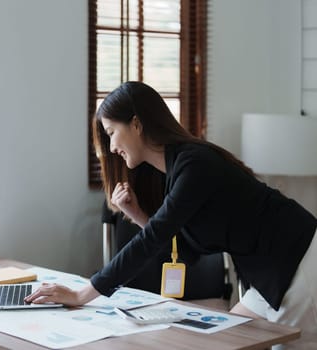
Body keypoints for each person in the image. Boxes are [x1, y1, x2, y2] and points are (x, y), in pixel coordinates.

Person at [25, 81, 317, 349]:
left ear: (137, 124)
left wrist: (82, 294)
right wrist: (137, 214)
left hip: (300, 267)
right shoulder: (176, 171)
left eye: (112, 132)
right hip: (269, 275)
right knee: (224, 343)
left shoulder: (194, 164)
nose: (112, 147)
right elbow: (185, 252)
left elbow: (151, 241)